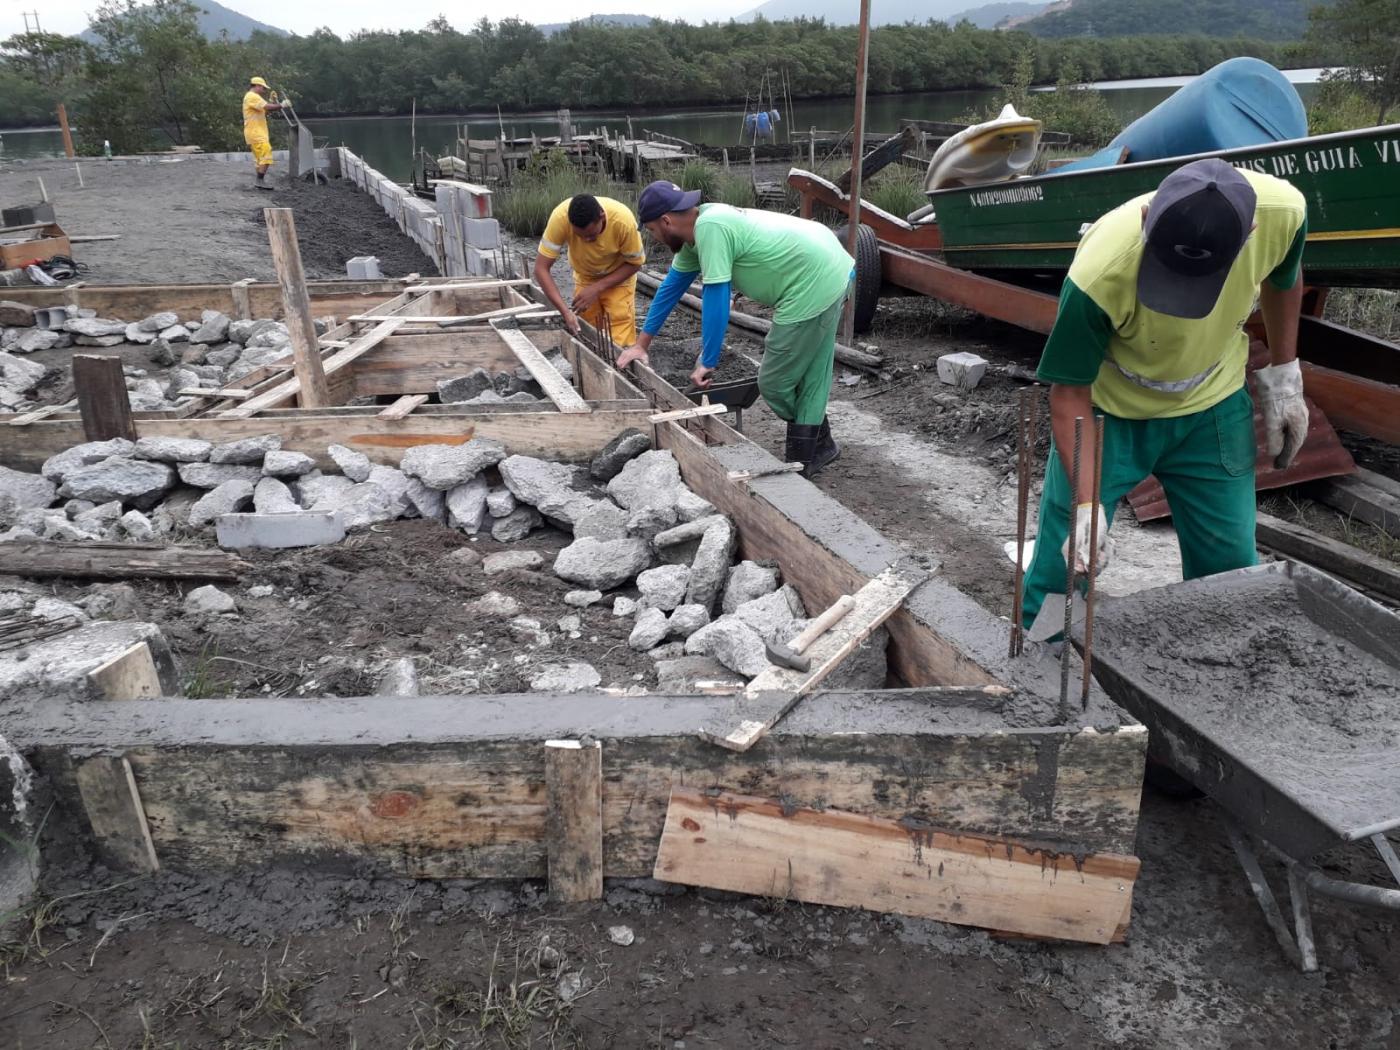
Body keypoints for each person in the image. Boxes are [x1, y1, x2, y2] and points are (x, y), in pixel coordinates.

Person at [1020, 157, 1309, 629]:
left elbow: (1284, 277)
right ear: (1144, 219)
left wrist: (1285, 376)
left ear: (1251, 232)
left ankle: (1216, 670)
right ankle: (1038, 674)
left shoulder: (1285, 213)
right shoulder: (1099, 270)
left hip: (1210, 409)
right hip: (1107, 417)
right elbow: (1069, 394)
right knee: (1064, 567)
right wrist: (1089, 508)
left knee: (1232, 567)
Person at [615, 180, 853, 477]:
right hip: (830, 264)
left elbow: (716, 294)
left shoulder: (710, 228)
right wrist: (641, 345)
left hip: (814, 281)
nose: (654, 237)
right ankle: (810, 453)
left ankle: (813, 445)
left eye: (651, 230)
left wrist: (708, 359)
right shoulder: (697, 233)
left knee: (775, 382)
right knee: (813, 371)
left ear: (666, 221)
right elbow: (669, 290)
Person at [533, 193, 646, 344]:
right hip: (585, 276)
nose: (587, 241)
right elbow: (541, 268)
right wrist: (565, 312)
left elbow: (635, 263)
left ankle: (618, 365)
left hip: (618, 277)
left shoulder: (623, 221)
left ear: (602, 216)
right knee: (587, 329)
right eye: (580, 236)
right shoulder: (560, 218)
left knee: (619, 326)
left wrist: (597, 288)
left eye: (592, 236)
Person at [243, 77, 285, 192]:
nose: (264, 90)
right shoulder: (252, 96)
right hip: (256, 132)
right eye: (263, 88)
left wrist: (272, 102)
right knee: (266, 153)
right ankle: (259, 181)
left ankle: (260, 182)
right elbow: (266, 107)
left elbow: (265, 109)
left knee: (260, 157)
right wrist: (282, 105)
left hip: (254, 132)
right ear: (256, 85)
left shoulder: (253, 98)